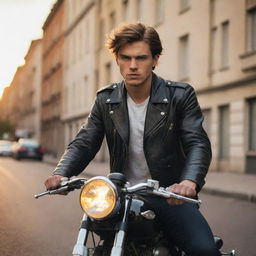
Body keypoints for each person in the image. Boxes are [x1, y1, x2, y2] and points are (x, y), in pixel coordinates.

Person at [45, 23, 221, 256]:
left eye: (141, 58)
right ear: (117, 59)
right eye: (126, 58)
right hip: (121, 195)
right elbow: (85, 141)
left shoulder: (180, 95)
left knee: (204, 250)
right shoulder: (106, 100)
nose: (133, 66)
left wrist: (189, 182)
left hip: (168, 195)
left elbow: (197, 142)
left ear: (155, 59)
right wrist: (62, 172)